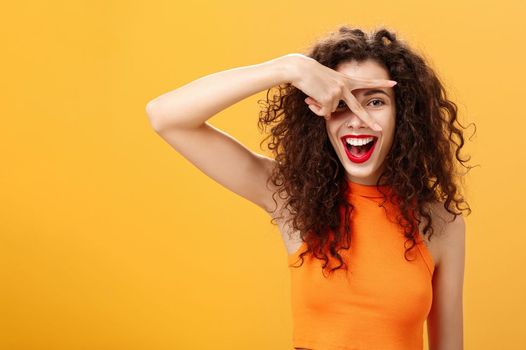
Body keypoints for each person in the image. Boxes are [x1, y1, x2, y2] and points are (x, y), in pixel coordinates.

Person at [146, 25, 473, 350]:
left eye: (375, 102)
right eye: (342, 103)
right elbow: (165, 116)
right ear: (321, 114)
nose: (357, 119)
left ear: (404, 116)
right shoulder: (293, 200)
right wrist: (288, 67)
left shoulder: (442, 224)